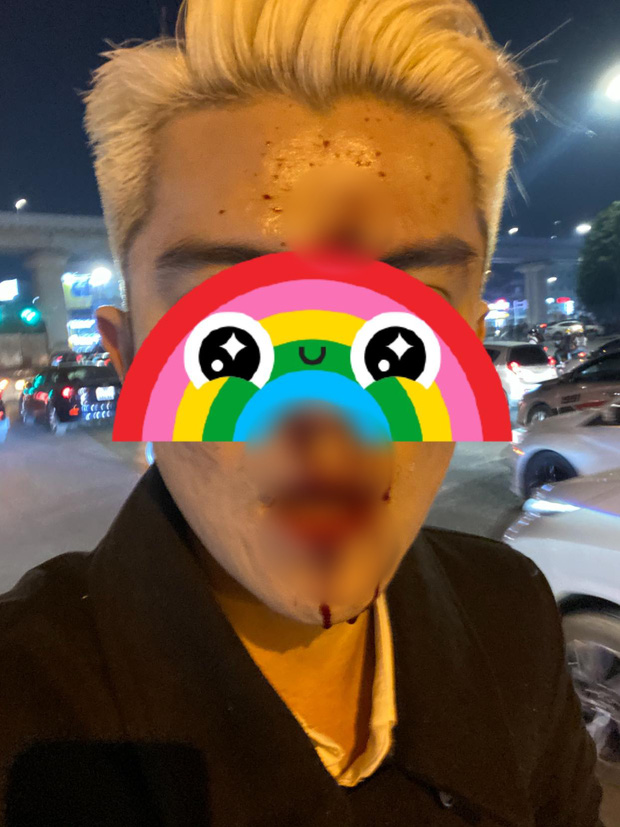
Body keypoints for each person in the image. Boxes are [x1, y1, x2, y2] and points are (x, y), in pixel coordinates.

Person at [0, 1, 605, 824]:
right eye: (232, 339)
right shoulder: (24, 717)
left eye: (401, 334)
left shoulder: (510, 610)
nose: (326, 417)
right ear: (133, 358)